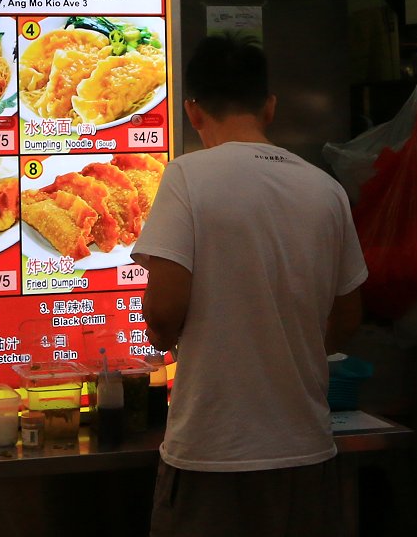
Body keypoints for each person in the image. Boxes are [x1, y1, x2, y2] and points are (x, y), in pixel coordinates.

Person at [132, 34, 367, 537]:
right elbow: (348, 316)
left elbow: (164, 307)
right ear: (270, 106)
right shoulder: (326, 189)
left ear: (193, 112)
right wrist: (289, 347)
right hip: (305, 451)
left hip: (212, 453)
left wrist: (162, 341)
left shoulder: (187, 177)